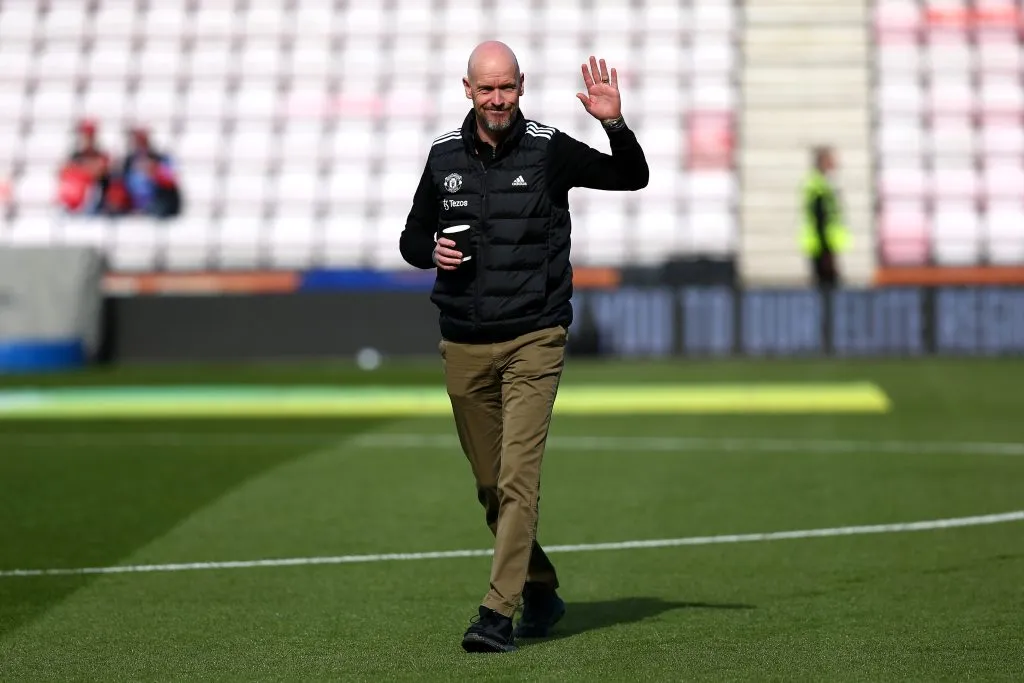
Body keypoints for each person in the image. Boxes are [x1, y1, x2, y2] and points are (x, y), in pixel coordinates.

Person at [398, 41, 649, 653]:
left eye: (506, 87)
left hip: (534, 337)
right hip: (463, 340)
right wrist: (431, 251)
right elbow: (411, 238)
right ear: (467, 89)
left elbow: (631, 176)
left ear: (522, 85)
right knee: (490, 485)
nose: (497, 99)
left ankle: (496, 612)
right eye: (486, 88)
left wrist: (614, 123)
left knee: (516, 478)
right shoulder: (442, 156)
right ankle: (539, 587)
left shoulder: (549, 149)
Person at [801, 146, 850, 290]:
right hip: (822, 246)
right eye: (830, 160)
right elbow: (820, 220)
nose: (835, 163)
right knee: (826, 286)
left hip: (824, 245)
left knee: (826, 285)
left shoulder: (822, 184)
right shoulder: (819, 187)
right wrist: (826, 252)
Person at [119, 126, 182, 219]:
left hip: (158, 205)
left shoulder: (159, 158)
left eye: (142, 138)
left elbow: (170, 180)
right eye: (137, 138)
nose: (139, 142)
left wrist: (154, 171)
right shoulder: (128, 161)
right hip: (134, 207)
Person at [56, 119, 112, 216]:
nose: (87, 138)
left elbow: (100, 172)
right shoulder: (76, 155)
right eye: (85, 135)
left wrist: (82, 169)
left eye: (90, 135)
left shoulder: (100, 154)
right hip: (78, 197)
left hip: (95, 199)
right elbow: (63, 171)